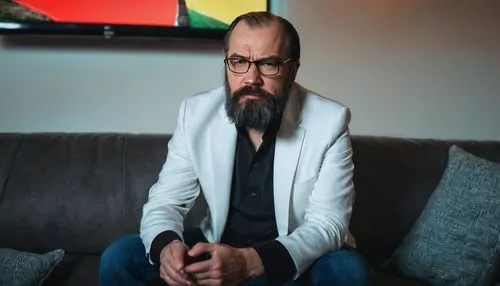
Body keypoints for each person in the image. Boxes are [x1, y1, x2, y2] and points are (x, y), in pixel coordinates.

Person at [100, 11, 371, 286]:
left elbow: (328, 224)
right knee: (120, 257)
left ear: (292, 70)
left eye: (268, 64)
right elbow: (165, 202)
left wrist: (248, 262)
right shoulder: (195, 114)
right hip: (220, 244)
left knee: (348, 272)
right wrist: (167, 249)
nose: (251, 78)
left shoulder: (330, 121)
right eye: (239, 61)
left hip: (290, 254)